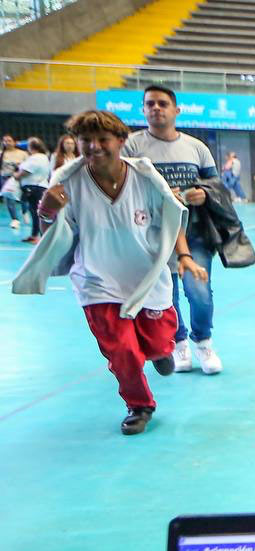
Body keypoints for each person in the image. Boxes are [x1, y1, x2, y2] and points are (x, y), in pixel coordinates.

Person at [13, 109, 203, 435]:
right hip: (96, 281)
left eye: (103, 139)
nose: (94, 147)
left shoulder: (145, 179)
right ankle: (139, 404)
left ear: (120, 141)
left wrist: (184, 256)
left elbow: (169, 220)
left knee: (158, 341)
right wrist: (47, 212)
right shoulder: (67, 183)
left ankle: (161, 351)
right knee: (122, 351)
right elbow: (57, 235)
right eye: (86, 140)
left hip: (146, 279)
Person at [123, 85, 224, 375]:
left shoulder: (196, 148)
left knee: (199, 291)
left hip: (195, 234)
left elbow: (216, 187)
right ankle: (178, 343)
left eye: (163, 103)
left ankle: (203, 341)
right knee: (168, 296)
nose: (156, 108)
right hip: (153, 235)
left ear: (176, 110)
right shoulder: (132, 146)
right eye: (150, 104)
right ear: (143, 110)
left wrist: (203, 193)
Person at [15, 137, 50, 243]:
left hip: (34, 188)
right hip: (36, 187)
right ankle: (34, 234)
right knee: (34, 211)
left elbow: (27, 171)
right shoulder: (42, 157)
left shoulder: (36, 158)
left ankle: (38, 236)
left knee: (36, 212)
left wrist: (16, 175)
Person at [2, 134, 27, 229]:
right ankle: (15, 219)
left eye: (9, 140)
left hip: (20, 178)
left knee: (24, 198)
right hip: (6, 178)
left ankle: (25, 212)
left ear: (14, 142)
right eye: (5, 141)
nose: (7, 143)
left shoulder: (23, 153)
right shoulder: (2, 153)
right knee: (9, 198)